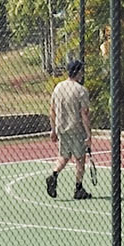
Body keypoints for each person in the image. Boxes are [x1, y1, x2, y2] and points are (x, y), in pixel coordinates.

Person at [46, 57, 93, 199]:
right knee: (80, 159)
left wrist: (53, 129)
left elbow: (52, 110)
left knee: (64, 156)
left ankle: (54, 174)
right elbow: (84, 114)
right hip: (76, 128)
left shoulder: (58, 88)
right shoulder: (81, 90)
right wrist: (88, 134)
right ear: (78, 72)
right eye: (81, 71)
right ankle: (78, 188)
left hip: (62, 127)